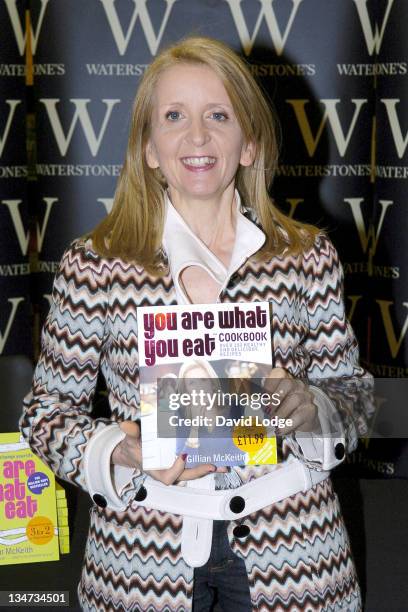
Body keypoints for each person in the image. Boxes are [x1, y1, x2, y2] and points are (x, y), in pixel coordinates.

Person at [20, 36, 372, 611]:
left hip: (297, 555)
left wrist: (313, 408)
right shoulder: (96, 264)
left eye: (219, 115)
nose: (198, 136)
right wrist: (122, 450)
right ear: (150, 148)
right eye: (175, 116)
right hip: (139, 559)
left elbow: (354, 398)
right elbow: (44, 416)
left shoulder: (308, 257)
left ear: (250, 143)